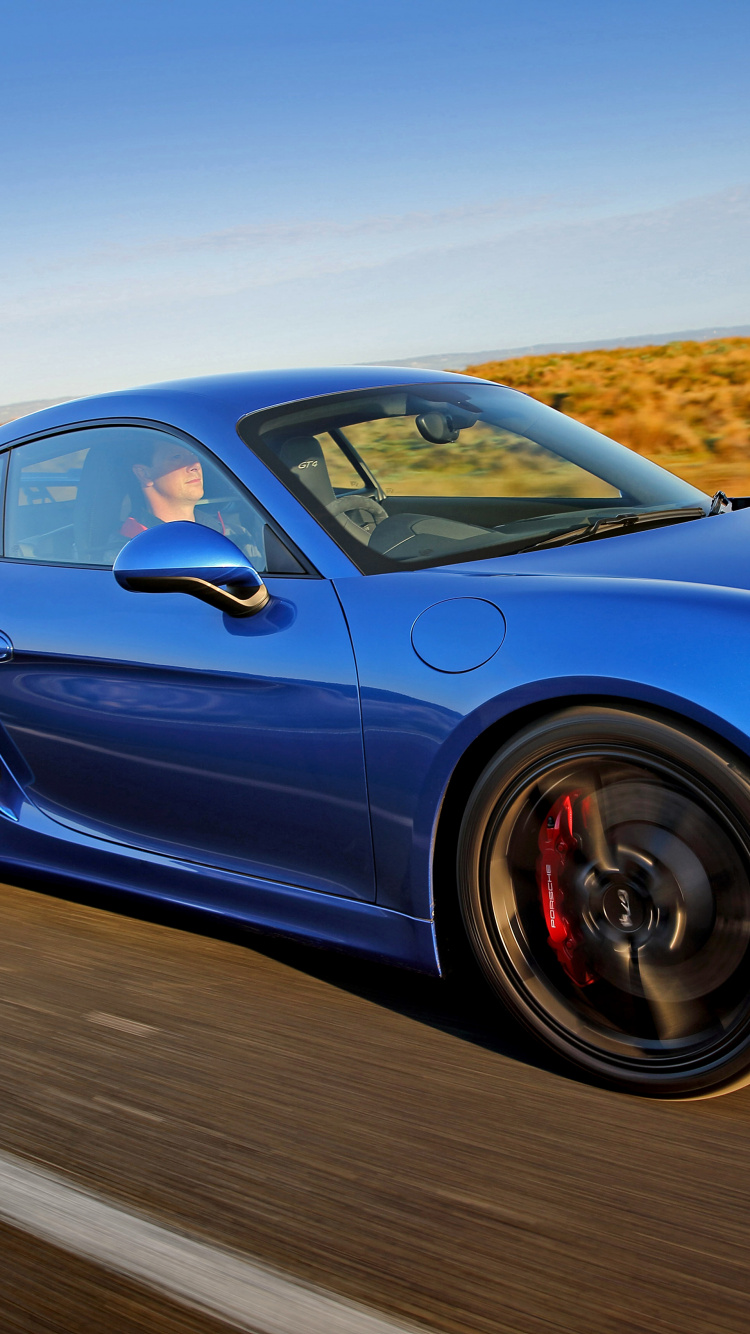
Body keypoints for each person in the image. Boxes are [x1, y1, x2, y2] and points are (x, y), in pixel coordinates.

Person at [120, 439, 265, 565]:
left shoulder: (236, 536)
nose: (195, 464)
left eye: (194, 454)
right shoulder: (127, 554)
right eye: (176, 457)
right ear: (144, 474)